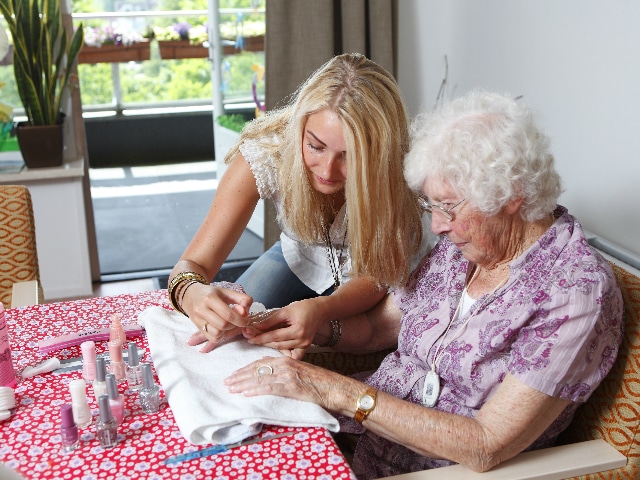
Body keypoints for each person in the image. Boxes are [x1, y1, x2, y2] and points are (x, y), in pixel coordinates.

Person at [223, 90, 625, 479]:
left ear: (512, 195)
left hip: (428, 471)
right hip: (352, 439)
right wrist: (295, 326)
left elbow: (486, 444)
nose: (437, 226)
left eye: (448, 207)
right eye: (433, 206)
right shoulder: (464, 247)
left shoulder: (574, 292)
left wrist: (334, 391)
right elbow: (378, 329)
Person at [168, 53, 428, 358]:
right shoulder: (268, 151)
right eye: (316, 146)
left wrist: (321, 308)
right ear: (299, 128)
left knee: (349, 357)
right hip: (298, 257)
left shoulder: (404, 166)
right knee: (229, 339)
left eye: (350, 156)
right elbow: (191, 266)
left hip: (376, 274)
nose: (328, 170)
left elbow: (378, 273)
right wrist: (192, 293)